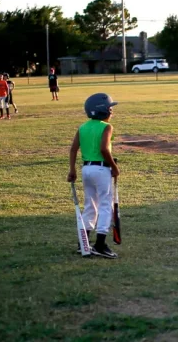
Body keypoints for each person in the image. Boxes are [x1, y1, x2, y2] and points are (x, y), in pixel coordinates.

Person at [67, 93, 120, 258]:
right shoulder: (106, 127)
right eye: (110, 108)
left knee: (90, 205)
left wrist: (72, 170)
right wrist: (114, 166)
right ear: (102, 110)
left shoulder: (83, 127)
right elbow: (104, 149)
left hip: (86, 170)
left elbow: (73, 149)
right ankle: (100, 244)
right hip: (101, 170)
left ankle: (83, 242)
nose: (112, 111)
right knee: (105, 205)